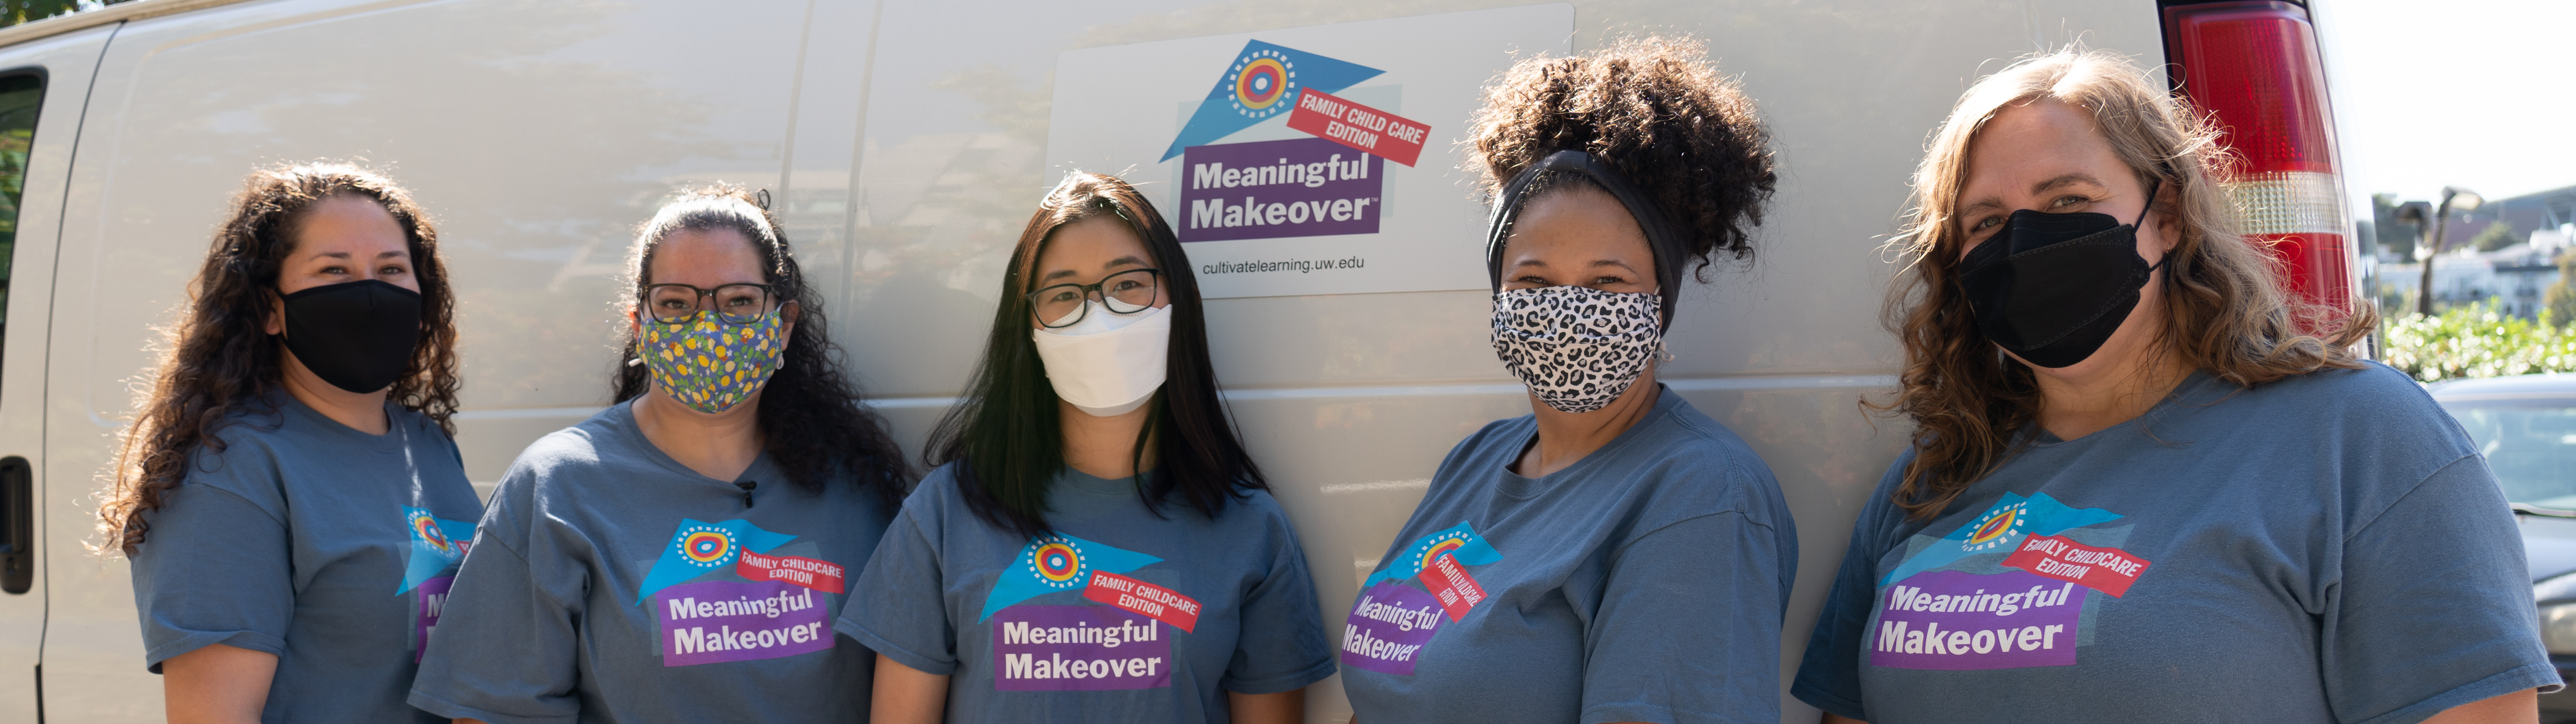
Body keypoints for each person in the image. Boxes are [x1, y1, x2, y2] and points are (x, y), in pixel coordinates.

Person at [1791, 48, 2559, 724]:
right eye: (1985, 222)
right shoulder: (1931, 478)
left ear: (2164, 218)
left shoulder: (2357, 437)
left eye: (2066, 202)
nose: (2025, 243)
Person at [1337, 37, 1797, 724]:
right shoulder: (1479, 458)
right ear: (1498, 292)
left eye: (1607, 282)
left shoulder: (1700, 494)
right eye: (1534, 281)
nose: (1568, 308)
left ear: (1659, 300)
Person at [407, 185, 912, 723]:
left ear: (782, 326)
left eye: (739, 301)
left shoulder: (858, 486)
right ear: (640, 326)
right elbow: (490, 710)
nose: (707, 328)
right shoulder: (557, 487)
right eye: (676, 303)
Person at [846, 172, 1331, 724]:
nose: (1098, 315)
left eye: (1128, 284)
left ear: (1179, 301)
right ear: (1028, 328)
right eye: (1064, 295)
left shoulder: (1251, 530)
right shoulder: (946, 514)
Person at [101, 162, 476, 724]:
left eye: (392, 269)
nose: (369, 292)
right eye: (333, 270)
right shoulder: (228, 467)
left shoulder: (427, 445)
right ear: (271, 309)